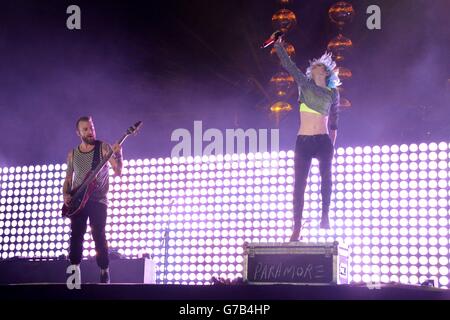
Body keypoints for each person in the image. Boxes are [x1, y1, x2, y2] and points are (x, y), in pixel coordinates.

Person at [273, 35, 341, 241]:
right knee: (299, 185)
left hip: (323, 141)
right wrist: (278, 44)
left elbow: (335, 121)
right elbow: (289, 65)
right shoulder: (304, 83)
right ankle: (296, 227)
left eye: (319, 66)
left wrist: (332, 145)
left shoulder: (332, 93)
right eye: (313, 67)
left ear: (325, 71)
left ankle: (325, 216)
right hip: (303, 141)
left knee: (326, 178)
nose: (314, 68)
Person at [62, 116, 123, 283]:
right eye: (86, 129)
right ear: (78, 133)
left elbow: (117, 171)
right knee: (76, 235)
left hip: (98, 200)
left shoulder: (103, 147)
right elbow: (68, 179)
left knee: (98, 234)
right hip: (77, 201)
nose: (90, 132)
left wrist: (118, 154)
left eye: (91, 128)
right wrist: (66, 194)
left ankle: (104, 270)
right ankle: (74, 274)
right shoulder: (73, 154)